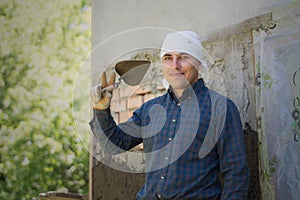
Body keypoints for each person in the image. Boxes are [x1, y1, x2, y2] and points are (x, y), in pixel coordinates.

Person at [89, 31, 249, 199]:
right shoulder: (150, 109)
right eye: (167, 58)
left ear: (199, 63)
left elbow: (236, 174)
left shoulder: (221, 108)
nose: (175, 65)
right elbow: (113, 145)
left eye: (183, 57)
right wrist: (101, 110)